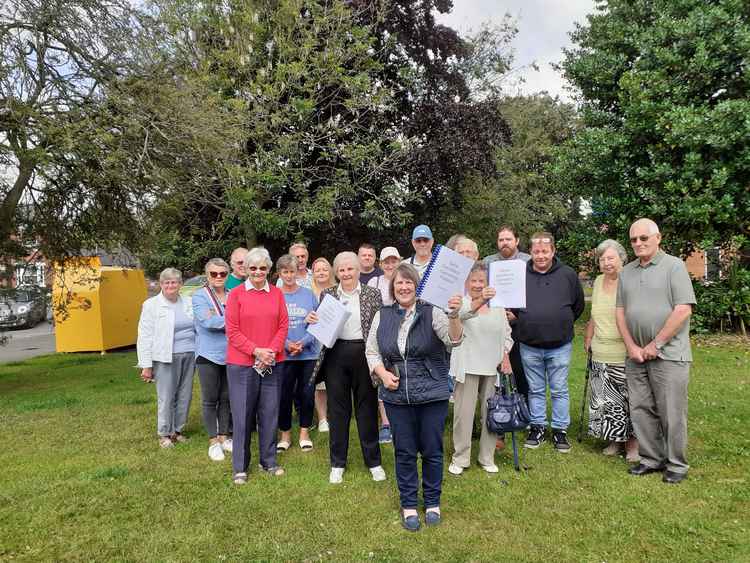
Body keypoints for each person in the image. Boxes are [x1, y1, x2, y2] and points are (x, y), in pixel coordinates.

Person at [366, 264, 464, 531]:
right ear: (393, 287)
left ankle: (432, 502)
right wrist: (382, 374)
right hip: (397, 396)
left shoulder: (432, 312)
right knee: (404, 452)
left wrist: (454, 315)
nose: (404, 287)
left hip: (432, 393)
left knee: (432, 451)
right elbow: (372, 351)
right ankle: (409, 503)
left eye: (409, 282)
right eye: (399, 283)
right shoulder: (382, 315)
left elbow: (454, 341)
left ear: (416, 285)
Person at [616, 218, 696, 484]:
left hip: (669, 354)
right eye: (634, 240)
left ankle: (676, 464)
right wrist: (631, 346)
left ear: (658, 238)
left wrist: (655, 344)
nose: (638, 243)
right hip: (635, 355)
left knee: (671, 412)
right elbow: (620, 312)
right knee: (640, 409)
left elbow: (683, 308)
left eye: (643, 238)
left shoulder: (674, 266)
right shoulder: (626, 272)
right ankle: (651, 459)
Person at [307, 251, 385, 484]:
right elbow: (321, 328)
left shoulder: (373, 293)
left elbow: (380, 327)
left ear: (358, 270)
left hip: (365, 355)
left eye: (350, 269)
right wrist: (312, 320)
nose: (346, 273)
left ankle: (374, 462)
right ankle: (337, 463)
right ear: (336, 272)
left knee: (367, 409)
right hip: (336, 356)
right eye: (341, 269)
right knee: (338, 411)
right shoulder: (328, 294)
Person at [514, 232, 584, 453]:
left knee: (559, 389)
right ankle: (537, 427)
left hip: (559, 345)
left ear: (553, 251)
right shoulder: (520, 274)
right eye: (536, 251)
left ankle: (560, 431)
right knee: (534, 389)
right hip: (529, 343)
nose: (541, 255)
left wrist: (559, 321)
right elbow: (512, 306)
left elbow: (578, 306)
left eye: (545, 251)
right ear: (531, 252)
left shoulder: (568, 274)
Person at [225, 247, 289, 484]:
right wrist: (256, 351)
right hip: (242, 364)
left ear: (269, 269)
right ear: (246, 269)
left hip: (272, 362)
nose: (258, 272)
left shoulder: (277, 294)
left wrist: (270, 351)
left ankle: (269, 461)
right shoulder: (236, 294)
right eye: (253, 268)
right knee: (242, 415)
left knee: (269, 413)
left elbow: (283, 325)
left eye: (263, 268)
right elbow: (231, 331)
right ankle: (240, 467)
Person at [448, 261, 513, 475]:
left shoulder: (499, 305)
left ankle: (487, 457)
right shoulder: (462, 303)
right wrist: (480, 300)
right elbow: (462, 315)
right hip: (467, 366)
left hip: (491, 367)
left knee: (490, 414)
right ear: (466, 283)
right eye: (473, 281)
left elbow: (507, 335)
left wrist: (505, 355)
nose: (477, 285)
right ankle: (460, 458)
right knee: (463, 416)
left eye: (482, 281)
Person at [584, 240, 639, 462]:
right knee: (606, 400)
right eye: (602, 259)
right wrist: (588, 337)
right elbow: (594, 313)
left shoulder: (631, 280)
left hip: (623, 350)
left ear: (622, 258)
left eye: (611, 258)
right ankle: (614, 440)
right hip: (600, 350)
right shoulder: (597, 282)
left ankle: (633, 444)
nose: (606, 263)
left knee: (628, 400)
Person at [137, 268, 196, 448]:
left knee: (185, 395)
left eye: (174, 282)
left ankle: (177, 431)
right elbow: (144, 335)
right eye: (167, 282)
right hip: (165, 357)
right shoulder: (151, 305)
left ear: (180, 284)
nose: (171, 285)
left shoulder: (189, 302)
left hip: (190, 354)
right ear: (161, 284)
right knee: (166, 396)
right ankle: (164, 433)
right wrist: (146, 365)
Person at [483, 226, 531, 404]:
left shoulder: (528, 261)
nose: (505, 243)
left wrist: (519, 316)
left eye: (508, 239)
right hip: (494, 323)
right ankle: (498, 411)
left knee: (521, 370)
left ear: (517, 241)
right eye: (501, 240)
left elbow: (533, 294)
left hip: (520, 324)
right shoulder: (488, 262)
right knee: (495, 370)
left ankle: (523, 409)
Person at [276, 254, 318, 453]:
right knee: (284, 395)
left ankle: (304, 432)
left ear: (297, 272)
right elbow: (270, 326)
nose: (289, 275)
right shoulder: (274, 295)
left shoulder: (309, 294)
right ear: (280, 273)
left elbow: (318, 322)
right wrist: (286, 344)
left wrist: (303, 342)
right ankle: (285, 434)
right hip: (284, 354)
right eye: (285, 271)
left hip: (307, 353)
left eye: (292, 271)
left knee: (307, 395)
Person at [192, 258, 234, 461]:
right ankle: (212, 441)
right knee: (210, 399)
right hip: (207, 355)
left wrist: (222, 319)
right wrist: (233, 320)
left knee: (226, 397)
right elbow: (208, 321)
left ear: (227, 275)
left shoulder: (233, 295)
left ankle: (224, 436)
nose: (218, 277)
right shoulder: (200, 295)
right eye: (213, 274)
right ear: (207, 275)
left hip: (231, 354)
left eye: (222, 274)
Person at [367, 246, 402, 444]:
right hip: (381, 333)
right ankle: (386, 424)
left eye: (393, 261)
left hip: (403, 332)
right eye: (386, 262)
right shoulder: (375, 281)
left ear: (399, 261)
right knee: (383, 376)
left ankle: (402, 421)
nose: (390, 265)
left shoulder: (405, 278)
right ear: (380, 264)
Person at [310, 257, 335, 432]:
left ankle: (337, 413)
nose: (321, 273)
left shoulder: (337, 290)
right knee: (319, 383)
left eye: (325, 269)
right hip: (314, 342)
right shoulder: (307, 292)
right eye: (317, 270)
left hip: (335, 342)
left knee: (335, 381)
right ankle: (322, 419)